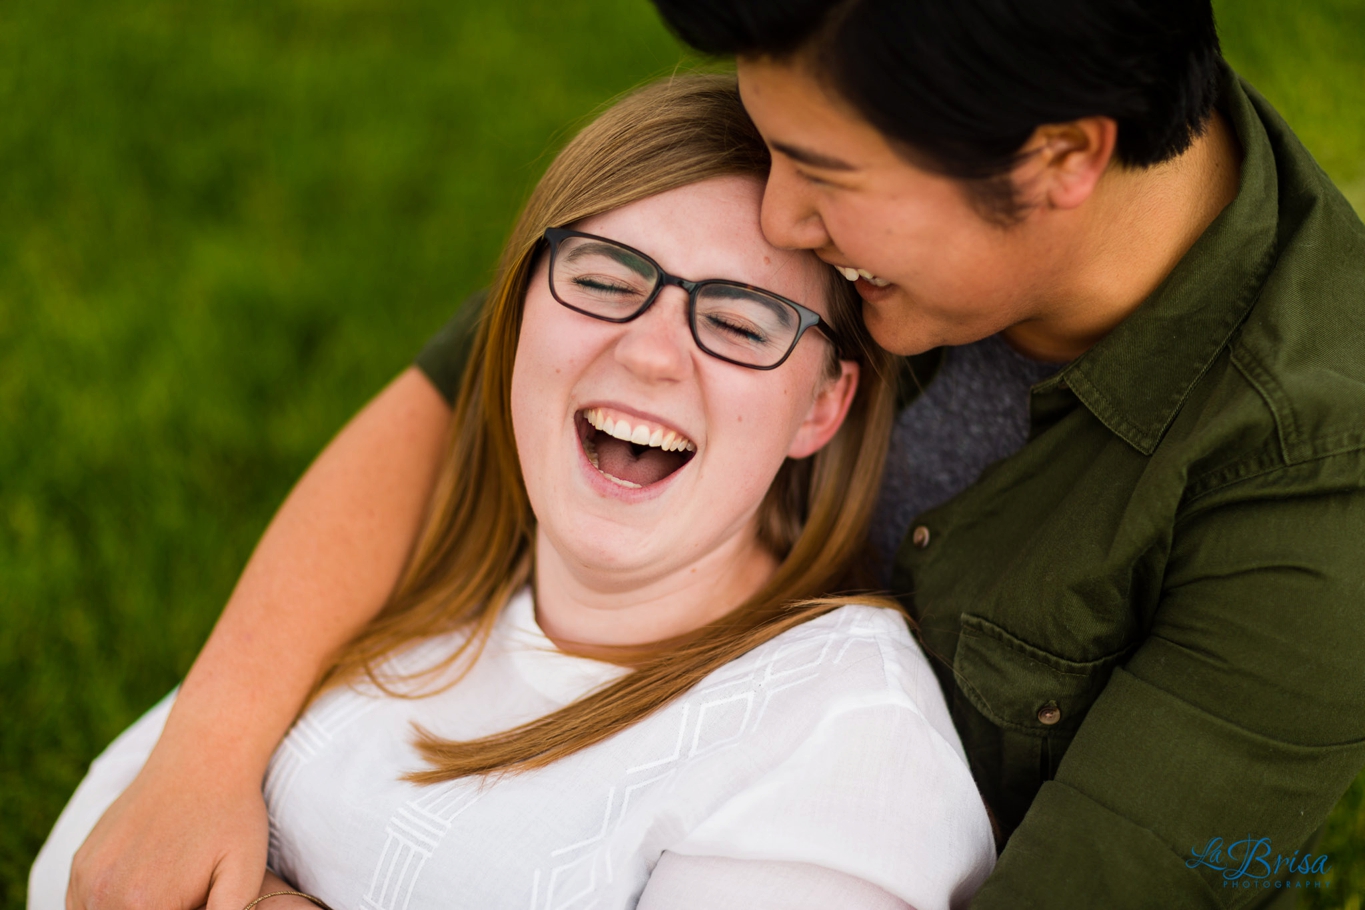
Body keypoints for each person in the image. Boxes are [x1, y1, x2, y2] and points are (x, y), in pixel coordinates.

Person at [51, 1, 1365, 909]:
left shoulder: (1316, 485)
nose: (777, 213)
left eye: (821, 178)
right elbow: (453, 401)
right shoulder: (906, 107)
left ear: (1060, 160)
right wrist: (207, 753)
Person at [32, 75, 996, 910]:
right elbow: (93, 860)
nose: (652, 352)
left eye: (741, 325)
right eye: (605, 278)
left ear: (820, 408)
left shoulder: (840, 743)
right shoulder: (419, 571)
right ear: (515, 311)